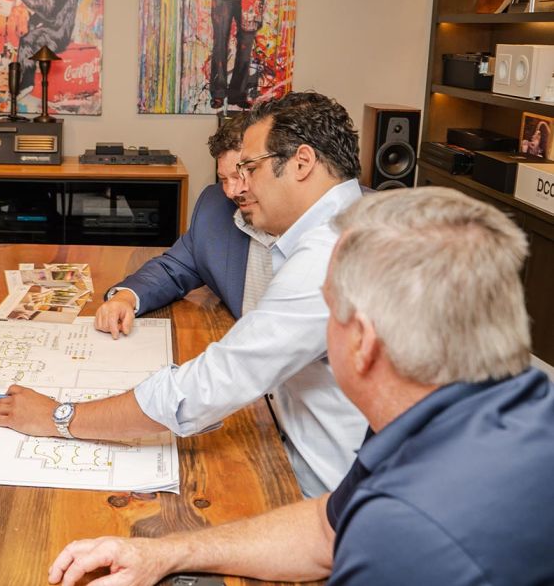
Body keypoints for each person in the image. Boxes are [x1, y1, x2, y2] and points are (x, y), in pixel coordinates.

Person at [47, 187, 554, 586]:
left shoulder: (408, 540)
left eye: (329, 309)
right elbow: (327, 530)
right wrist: (164, 552)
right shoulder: (458, 410)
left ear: (364, 342)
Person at [0, 92, 367, 498]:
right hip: (290, 443)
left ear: (302, 163)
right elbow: (180, 268)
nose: (241, 186)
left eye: (251, 168)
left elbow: (209, 386)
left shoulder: (332, 255)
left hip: (325, 498)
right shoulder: (355, 228)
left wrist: (60, 417)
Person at [95, 112, 266, 340]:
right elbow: (175, 267)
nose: (231, 191)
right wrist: (125, 297)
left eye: (240, 175)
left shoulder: (319, 233)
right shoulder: (215, 205)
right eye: (224, 179)